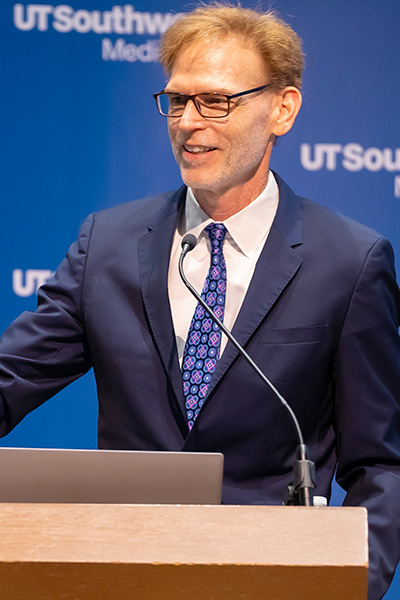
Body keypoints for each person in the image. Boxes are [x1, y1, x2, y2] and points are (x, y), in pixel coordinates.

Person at [1, 4, 399, 598]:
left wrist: (348, 581)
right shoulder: (106, 243)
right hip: (113, 569)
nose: (189, 122)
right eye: (177, 100)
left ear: (282, 109)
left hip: (272, 578)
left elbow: (381, 464)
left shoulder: (348, 261)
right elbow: (10, 377)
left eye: (216, 101)